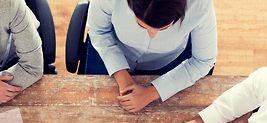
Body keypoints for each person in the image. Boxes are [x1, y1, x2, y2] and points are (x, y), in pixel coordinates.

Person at [86, 0, 217, 112]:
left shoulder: (200, 5)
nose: (152, 35)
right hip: (111, 45)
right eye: (140, 25)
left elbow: (203, 60)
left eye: (163, 29)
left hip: (169, 59)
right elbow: (99, 30)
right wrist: (121, 75)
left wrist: (152, 92)